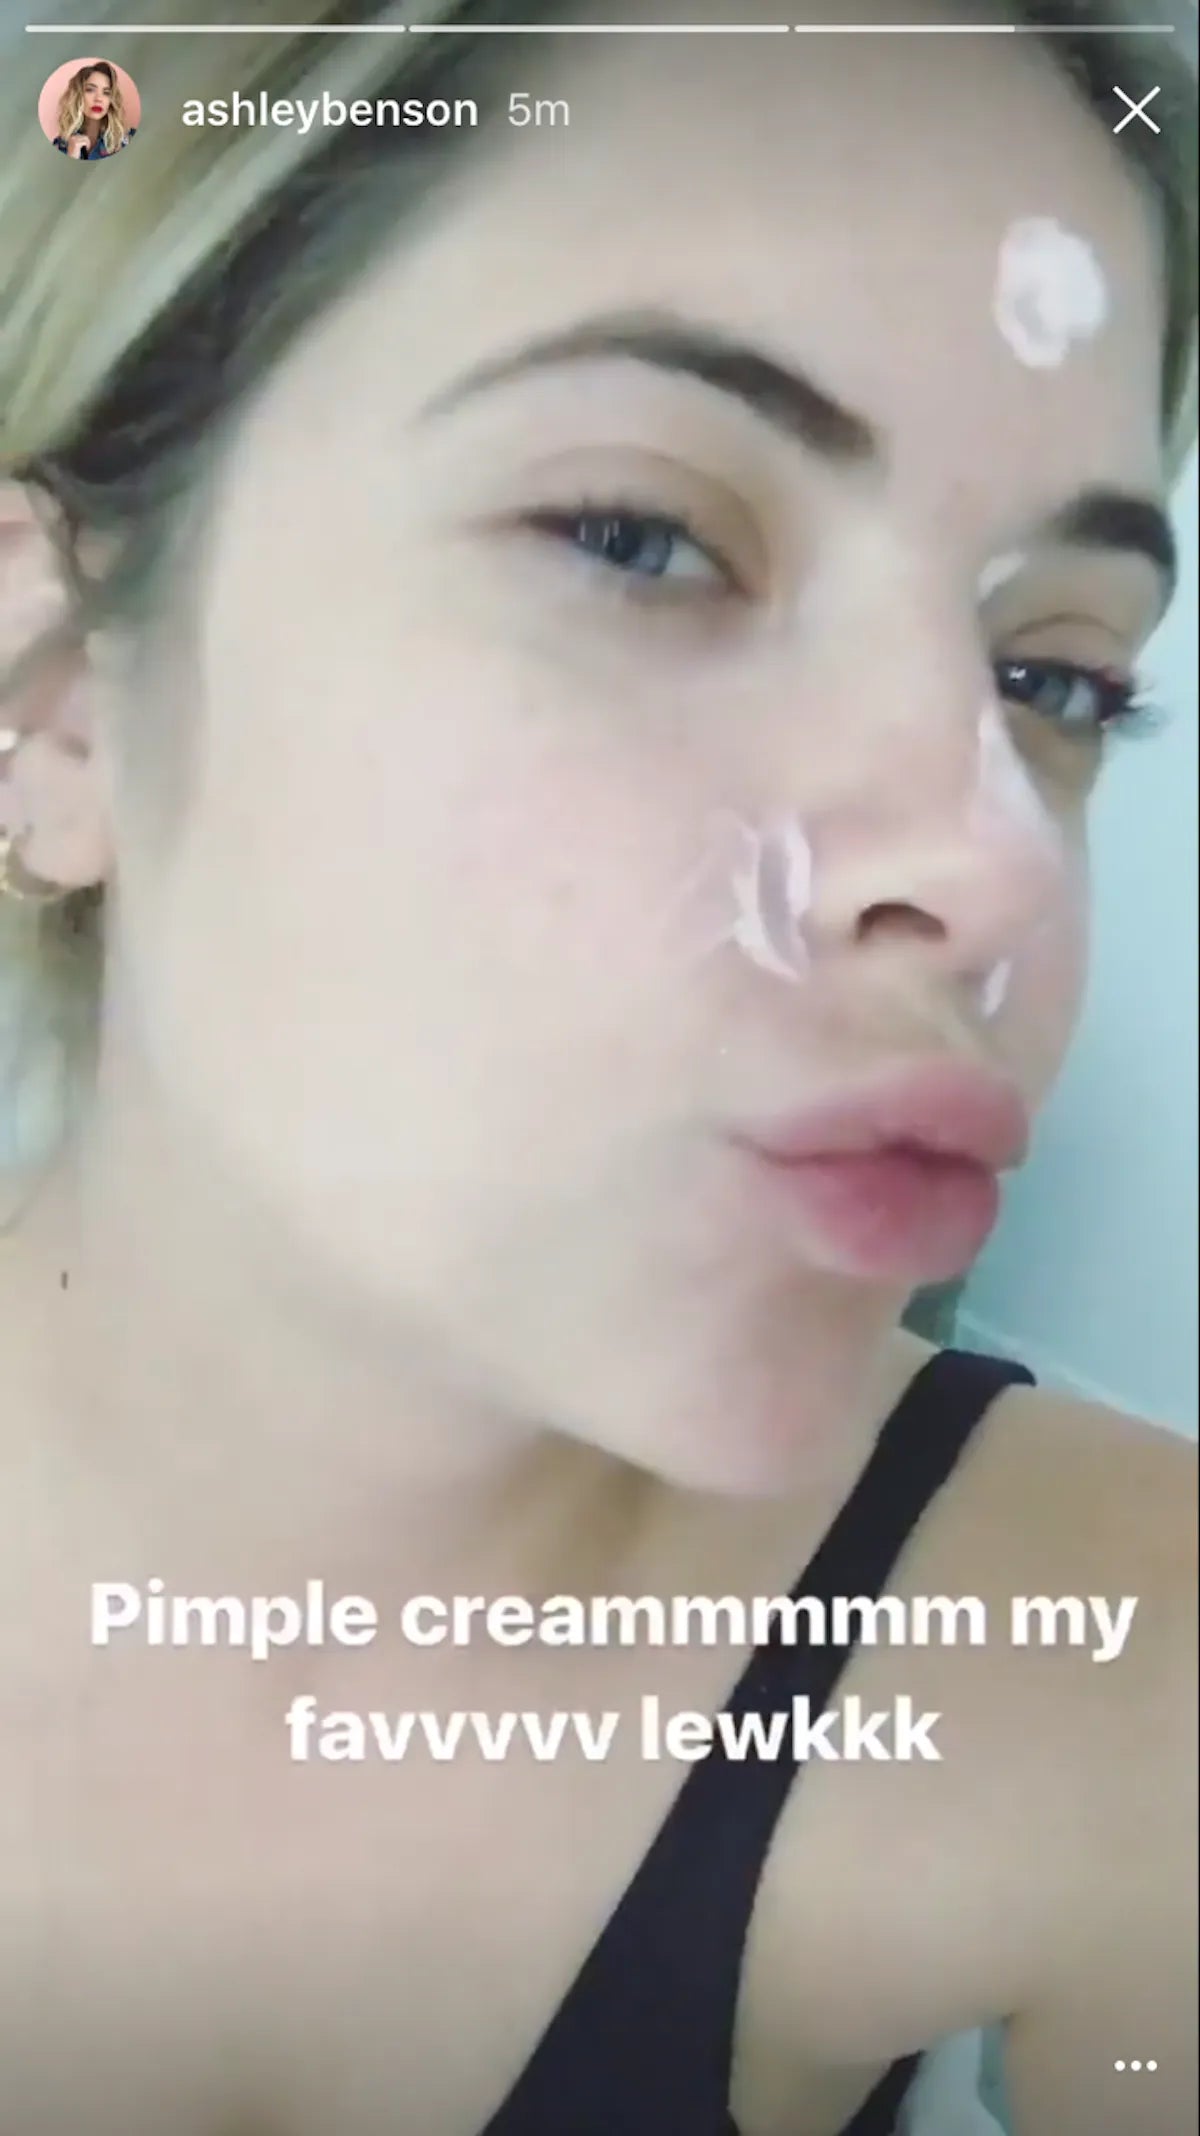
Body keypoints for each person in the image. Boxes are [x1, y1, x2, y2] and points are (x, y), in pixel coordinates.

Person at [1, 3, 1196, 2134]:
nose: (991, 868)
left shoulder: (1127, 1683)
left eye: (1056, 679)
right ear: (59, 693)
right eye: (643, 540)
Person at [51, 57, 134, 160]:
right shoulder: (61, 145)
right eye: (90, 90)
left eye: (106, 93)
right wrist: (71, 156)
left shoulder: (129, 140)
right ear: (78, 95)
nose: (98, 98)